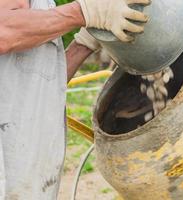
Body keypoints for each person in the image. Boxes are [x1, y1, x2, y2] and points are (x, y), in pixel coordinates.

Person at [0, 0, 150, 199]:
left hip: (27, 171)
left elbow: (37, 84)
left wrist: (84, 44)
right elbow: (3, 31)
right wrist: (83, 11)